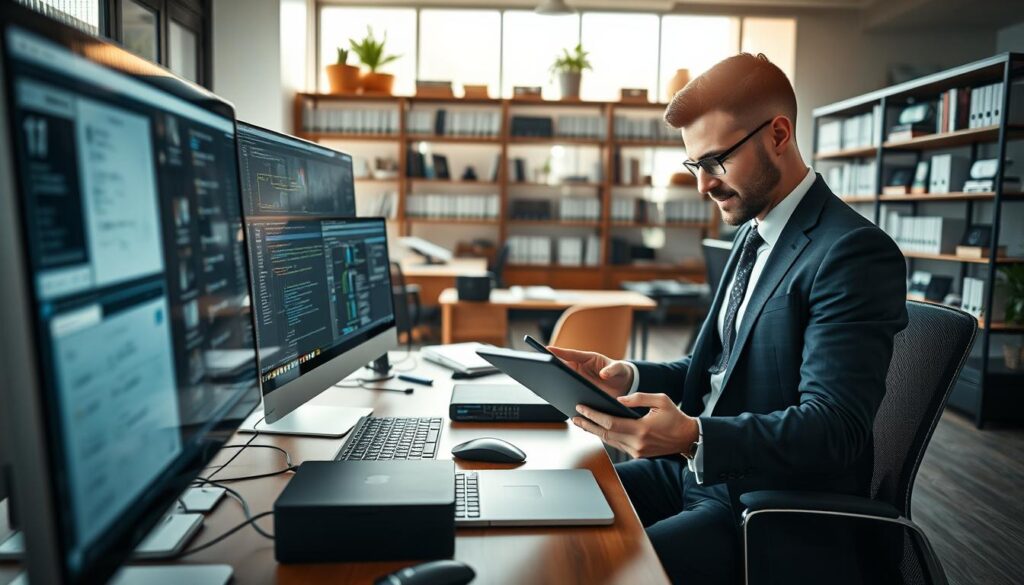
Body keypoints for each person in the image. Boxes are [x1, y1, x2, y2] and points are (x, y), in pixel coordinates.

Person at [549, 53, 908, 585]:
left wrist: (694, 437)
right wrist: (626, 375)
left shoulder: (851, 252)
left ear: (778, 135)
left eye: (716, 161)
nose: (702, 186)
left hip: (767, 507)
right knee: (556, 511)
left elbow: (836, 428)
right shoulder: (750, 234)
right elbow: (718, 367)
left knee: (603, 572)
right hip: (698, 475)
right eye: (695, 166)